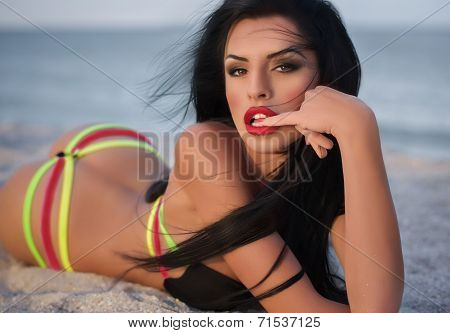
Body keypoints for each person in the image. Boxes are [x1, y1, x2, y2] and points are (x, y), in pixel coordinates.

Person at [0, 0, 404, 313]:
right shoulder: (204, 147)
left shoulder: (322, 171)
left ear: (328, 77)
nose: (257, 90)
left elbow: (377, 307)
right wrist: (357, 127)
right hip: (51, 207)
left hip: (126, 163)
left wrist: (357, 133)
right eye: (238, 70)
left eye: (284, 65)